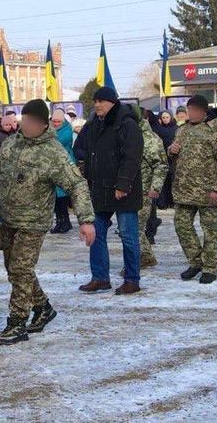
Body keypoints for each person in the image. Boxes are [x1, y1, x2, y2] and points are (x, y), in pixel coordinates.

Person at [0, 99, 95, 345]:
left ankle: (17, 323)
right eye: (24, 120)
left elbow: (76, 184)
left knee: (21, 270)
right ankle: (43, 307)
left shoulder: (52, 152)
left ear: (43, 125)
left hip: (34, 221)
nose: (26, 125)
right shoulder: (11, 144)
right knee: (15, 270)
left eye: (32, 122)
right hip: (8, 218)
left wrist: (86, 219)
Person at [75, 86, 144, 295]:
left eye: (101, 101)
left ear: (112, 102)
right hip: (99, 189)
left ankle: (132, 280)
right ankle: (100, 278)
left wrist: (123, 184)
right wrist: (85, 165)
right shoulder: (93, 124)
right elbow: (79, 147)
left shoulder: (127, 124)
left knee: (128, 236)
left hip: (123, 190)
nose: (97, 105)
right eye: (95, 101)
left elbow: (132, 157)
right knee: (96, 234)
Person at [168, 95, 217, 284]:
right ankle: (196, 262)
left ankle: (210, 267)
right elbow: (175, 156)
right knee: (182, 226)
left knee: (210, 230)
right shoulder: (182, 130)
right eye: (189, 110)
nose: (190, 114)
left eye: (194, 110)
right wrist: (172, 151)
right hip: (184, 190)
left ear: (203, 111)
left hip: (208, 191)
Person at [136, 110, 167, 269]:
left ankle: (143, 257)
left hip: (144, 189)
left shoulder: (149, 138)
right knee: (133, 228)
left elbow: (161, 165)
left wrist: (155, 187)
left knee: (135, 227)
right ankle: (147, 256)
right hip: (130, 189)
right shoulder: (130, 134)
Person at [49, 109, 75, 234]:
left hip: (63, 166)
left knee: (62, 196)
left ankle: (64, 221)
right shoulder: (51, 129)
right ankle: (61, 221)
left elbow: (55, 143)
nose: (56, 124)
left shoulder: (67, 130)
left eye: (58, 121)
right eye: (54, 121)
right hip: (53, 166)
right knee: (56, 196)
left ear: (63, 121)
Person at [153, 110, 178, 209]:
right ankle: (162, 202)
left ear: (171, 117)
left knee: (173, 180)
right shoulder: (157, 129)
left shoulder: (176, 129)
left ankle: (172, 201)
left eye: (167, 117)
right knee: (162, 180)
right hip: (161, 157)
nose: (165, 119)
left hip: (173, 158)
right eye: (163, 117)